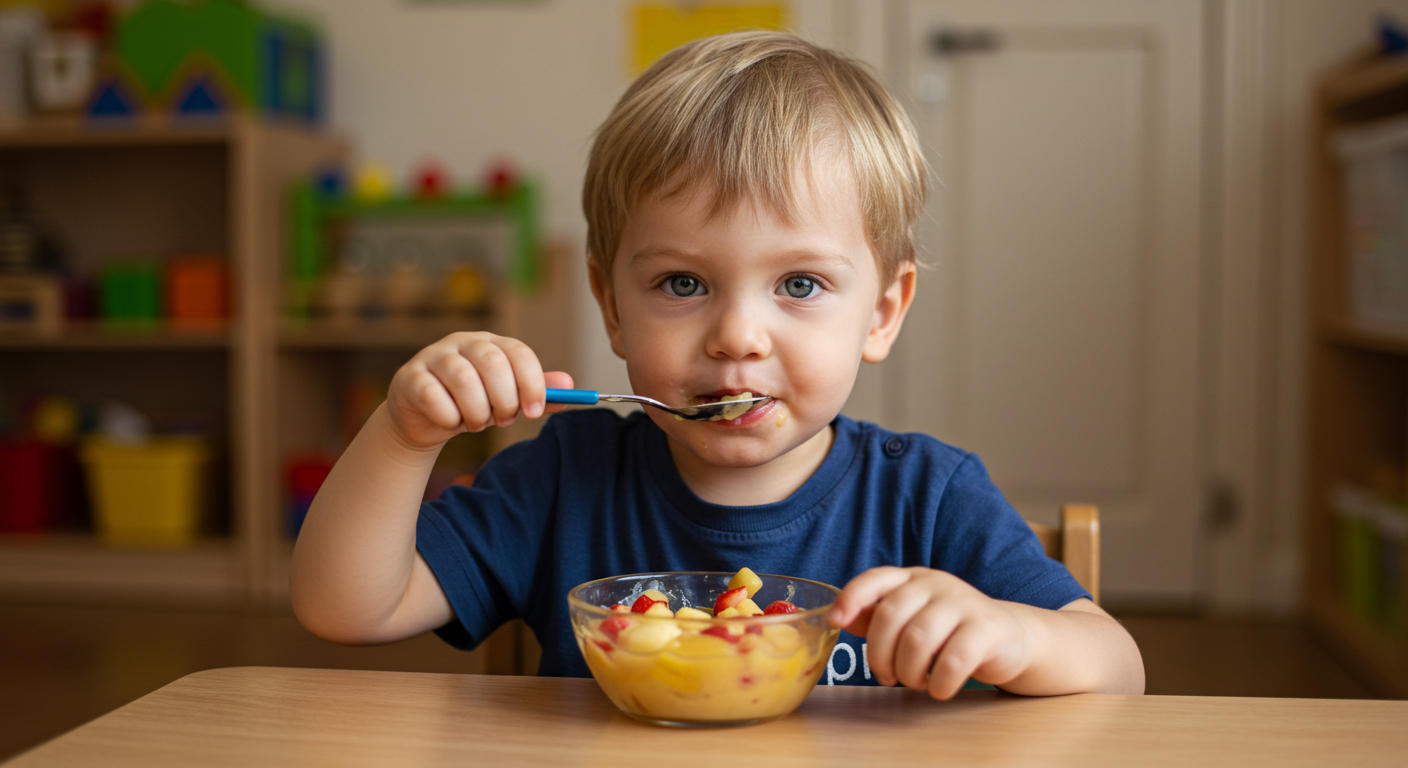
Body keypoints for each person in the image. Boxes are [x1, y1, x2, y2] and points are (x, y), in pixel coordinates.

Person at [290, 31, 1145, 699]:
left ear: (881, 313)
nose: (737, 335)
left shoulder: (929, 497)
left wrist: (1014, 635)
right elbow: (343, 607)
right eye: (684, 282)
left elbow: (1116, 665)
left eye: (800, 283)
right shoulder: (561, 480)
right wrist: (404, 435)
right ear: (612, 306)